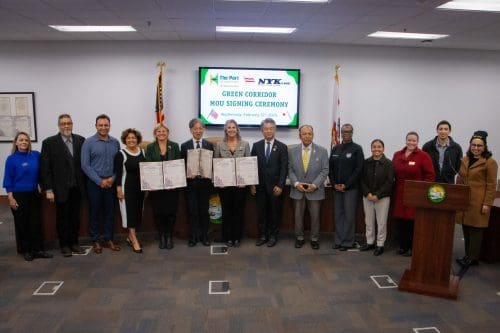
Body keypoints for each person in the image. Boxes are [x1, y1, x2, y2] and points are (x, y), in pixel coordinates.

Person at [40, 114, 86, 257]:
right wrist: (48, 189)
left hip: (77, 187)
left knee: (75, 217)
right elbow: (45, 168)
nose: (66, 126)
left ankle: (74, 243)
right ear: (59, 126)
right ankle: (64, 245)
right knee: (62, 217)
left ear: (72, 124)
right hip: (60, 189)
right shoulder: (49, 142)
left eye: (68, 123)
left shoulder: (80, 140)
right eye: (63, 124)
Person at [3, 132, 53, 261]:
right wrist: (10, 198)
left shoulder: (35, 155)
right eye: (21, 140)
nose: (24, 142)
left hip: (34, 194)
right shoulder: (11, 159)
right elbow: (8, 180)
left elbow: (45, 167)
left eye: (26, 140)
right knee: (22, 223)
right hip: (18, 195)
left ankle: (38, 249)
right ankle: (27, 250)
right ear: (16, 143)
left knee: (35, 222)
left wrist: (43, 184)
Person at [455, 131, 498, 267]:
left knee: (476, 230)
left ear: (484, 147)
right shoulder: (465, 159)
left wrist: (487, 204)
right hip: (464, 199)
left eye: (479, 146)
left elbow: (492, 185)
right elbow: (460, 177)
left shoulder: (490, 163)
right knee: (466, 227)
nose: (476, 148)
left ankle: (473, 258)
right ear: (470, 145)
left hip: (479, 201)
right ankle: (468, 255)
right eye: (473, 145)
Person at [81, 114, 121, 254]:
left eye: (106, 125)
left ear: (110, 126)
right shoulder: (88, 142)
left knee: (110, 212)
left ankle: (108, 238)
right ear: (96, 126)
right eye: (101, 125)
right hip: (94, 184)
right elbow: (85, 165)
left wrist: (113, 178)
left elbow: (119, 164)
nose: (104, 127)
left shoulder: (115, 142)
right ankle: (96, 240)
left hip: (111, 183)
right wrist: (100, 181)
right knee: (95, 212)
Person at [392, 131, 435, 257]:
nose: (411, 142)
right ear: (406, 141)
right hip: (399, 193)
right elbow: (392, 172)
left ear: (417, 142)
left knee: (412, 222)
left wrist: (421, 190)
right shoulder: (397, 154)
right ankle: (402, 246)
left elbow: (430, 176)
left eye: (414, 140)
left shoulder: (423, 156)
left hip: (415, 194)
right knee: (401, 221)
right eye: (409, 140)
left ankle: (412, 247)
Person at [288, 125, 329, 250]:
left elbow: (325, 170)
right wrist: (296, 184)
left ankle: (314, 239)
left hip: (315, 191)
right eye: (304, 134)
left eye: (309, 133)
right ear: (300, 136)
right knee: (298, 217)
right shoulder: (292, 151)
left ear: (313, 135)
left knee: (315, 217)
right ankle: (299, 238)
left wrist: (315, 185)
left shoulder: (322, 151)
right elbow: (289, 169)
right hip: (297, 190)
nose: (307, 136)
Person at [250, 118, 288, 247]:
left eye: (271, 128)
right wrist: (252, 184)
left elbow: (284, 168)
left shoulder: (282, 147)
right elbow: (252, 166)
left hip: (275, 187)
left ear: (275, 130)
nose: (269, 131)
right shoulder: (256, 145)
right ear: (262, 131)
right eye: (266, 129)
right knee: (261, 213)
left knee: (274, 213)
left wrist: (280, 185)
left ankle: (273, 236)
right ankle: (263, 235)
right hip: (260, 187)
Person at [214, 119, 250, 247]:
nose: (231, 130)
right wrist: (219, 181)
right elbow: (216, 164)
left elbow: (247, 165)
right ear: (225, 130)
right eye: (228, 127)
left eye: (233, 127)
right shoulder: (219, 145)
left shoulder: (245, 145)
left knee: (238, 211)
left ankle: (237, 237)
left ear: (237, 129)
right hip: (225, 185)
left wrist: (245, 181)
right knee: (227, 211)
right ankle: (227, 237)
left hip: (240, 186)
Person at [145, 123, 181, 250]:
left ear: (168, 133)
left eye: (164, 131)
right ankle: (162, 237)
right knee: (159, 213)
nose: (161, 133)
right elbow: (148, 165)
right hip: (157, 188)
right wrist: (151, 183)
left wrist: (175, 182)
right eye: (159, 131)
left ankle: (169, 236)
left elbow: (178, 165)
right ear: (155, 134)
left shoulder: (175, 146)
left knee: (171, 213)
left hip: (171, 187)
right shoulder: (150, 148)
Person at [329, 123, 364, 251]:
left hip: (351, 189)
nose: (346, 134)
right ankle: (338, 240)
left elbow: (359, 169)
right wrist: (334, 184)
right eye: (344, 132)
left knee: (349, 216)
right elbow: (330, 168)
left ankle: (348, 242)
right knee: (338, 215)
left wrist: (346, 185)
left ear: (352, 133)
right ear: (341, 133)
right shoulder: (336, 148)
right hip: (337, 189)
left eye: (348, 132)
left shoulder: (357, 149)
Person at [180, 119, 214, 247]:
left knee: (204, 211)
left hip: (205, 184)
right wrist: (188, 174)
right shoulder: (184, 146)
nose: (198, 131)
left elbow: (212, 164)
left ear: (203, 130)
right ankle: (193, 237)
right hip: (191, 184)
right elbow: (181, 166)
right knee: (192, 211)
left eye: (200, 128)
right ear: (191, 130)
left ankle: (205, 236)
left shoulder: (209, 145)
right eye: (195, 129)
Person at [359, 139, 393, 256]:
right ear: (371, 148)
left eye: (379, 147)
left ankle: (380, 244)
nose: (376, 149)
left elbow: (389, 182)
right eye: (374, 147)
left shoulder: (389, 163)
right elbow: (361, 179)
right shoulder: (366, 162)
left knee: (381, 222)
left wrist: (378, 195)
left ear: (383, 149)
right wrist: (367, 193)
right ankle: (370, 242)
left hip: (382, 198)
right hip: (367, 197)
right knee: (368, 221)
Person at [115, 128, 145, 254]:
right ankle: (133, 238)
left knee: (138, 212)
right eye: (128, 138)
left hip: (141, 189)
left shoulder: (142, 151)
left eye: (133, 138)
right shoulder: (120, 154)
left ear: (137, 139)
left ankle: (130, 236)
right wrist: (119, 190)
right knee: (130, 214)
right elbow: (118, 173)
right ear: (125, 140)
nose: (131, 140)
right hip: (127, 189)